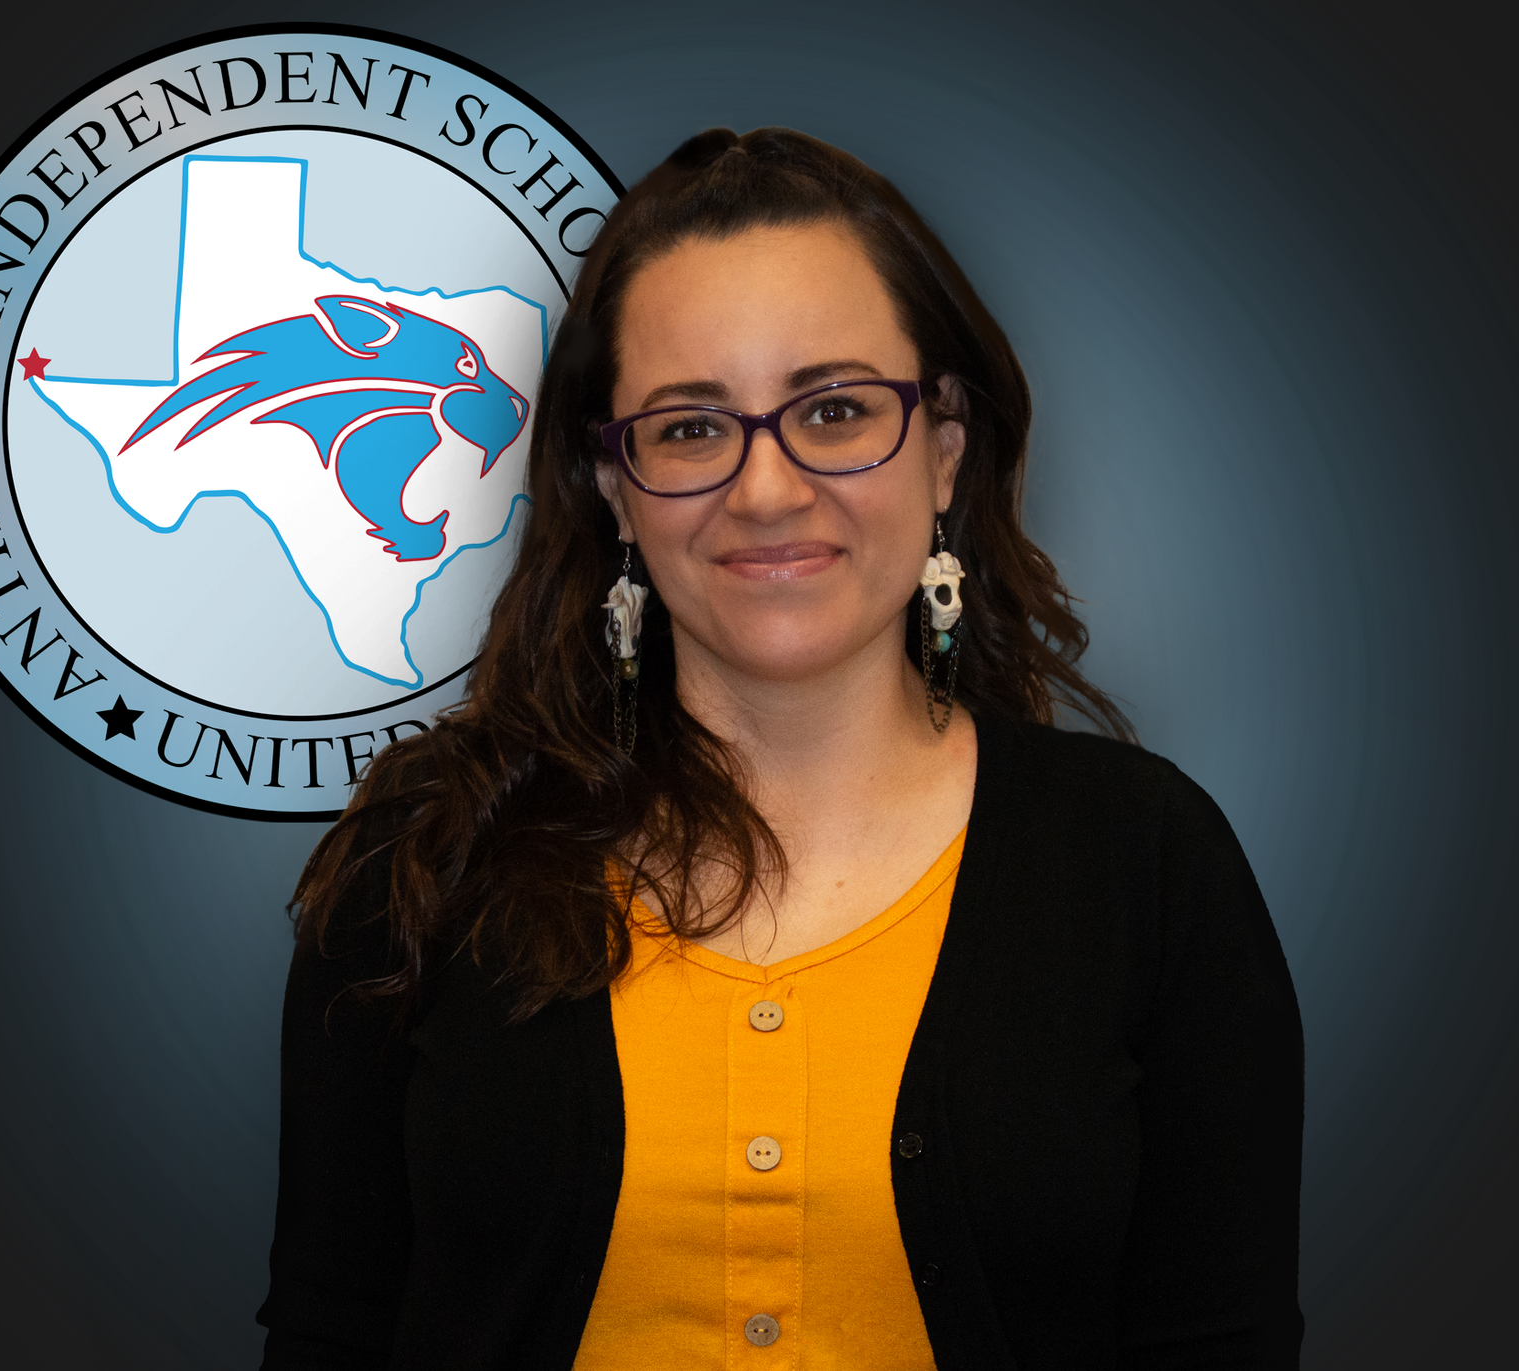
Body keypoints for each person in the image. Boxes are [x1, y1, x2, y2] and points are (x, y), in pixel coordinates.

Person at [256, 127, 1303, 1371]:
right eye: (691, 429)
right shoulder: (430, 852)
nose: (765, 491)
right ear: (613, 483)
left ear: (946, 449)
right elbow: (328, 1335)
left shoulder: (1148, 863)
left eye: (837, 410)